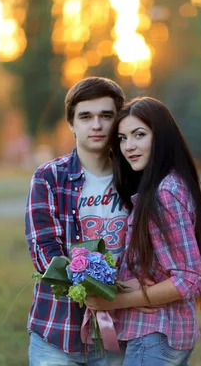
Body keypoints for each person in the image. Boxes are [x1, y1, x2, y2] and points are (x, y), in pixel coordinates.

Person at [85, 97, 201, 366]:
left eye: (139, 135)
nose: (128, 146)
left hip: (154, 335)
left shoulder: (163, 193)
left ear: (161, 136)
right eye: (122, 138)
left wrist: (116, 301)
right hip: (166, 334)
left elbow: (188, 277)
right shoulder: (172, 184)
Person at [25, 76, 129, 366]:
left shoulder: (135, 178)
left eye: (106, 116)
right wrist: (89, 285)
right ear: (71, 123)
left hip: (120, 332)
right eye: (86, 117)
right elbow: (44, 250)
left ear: (118, 121)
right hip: (57, 331)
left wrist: (118, 296)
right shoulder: (48, 178)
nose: (96, 125)